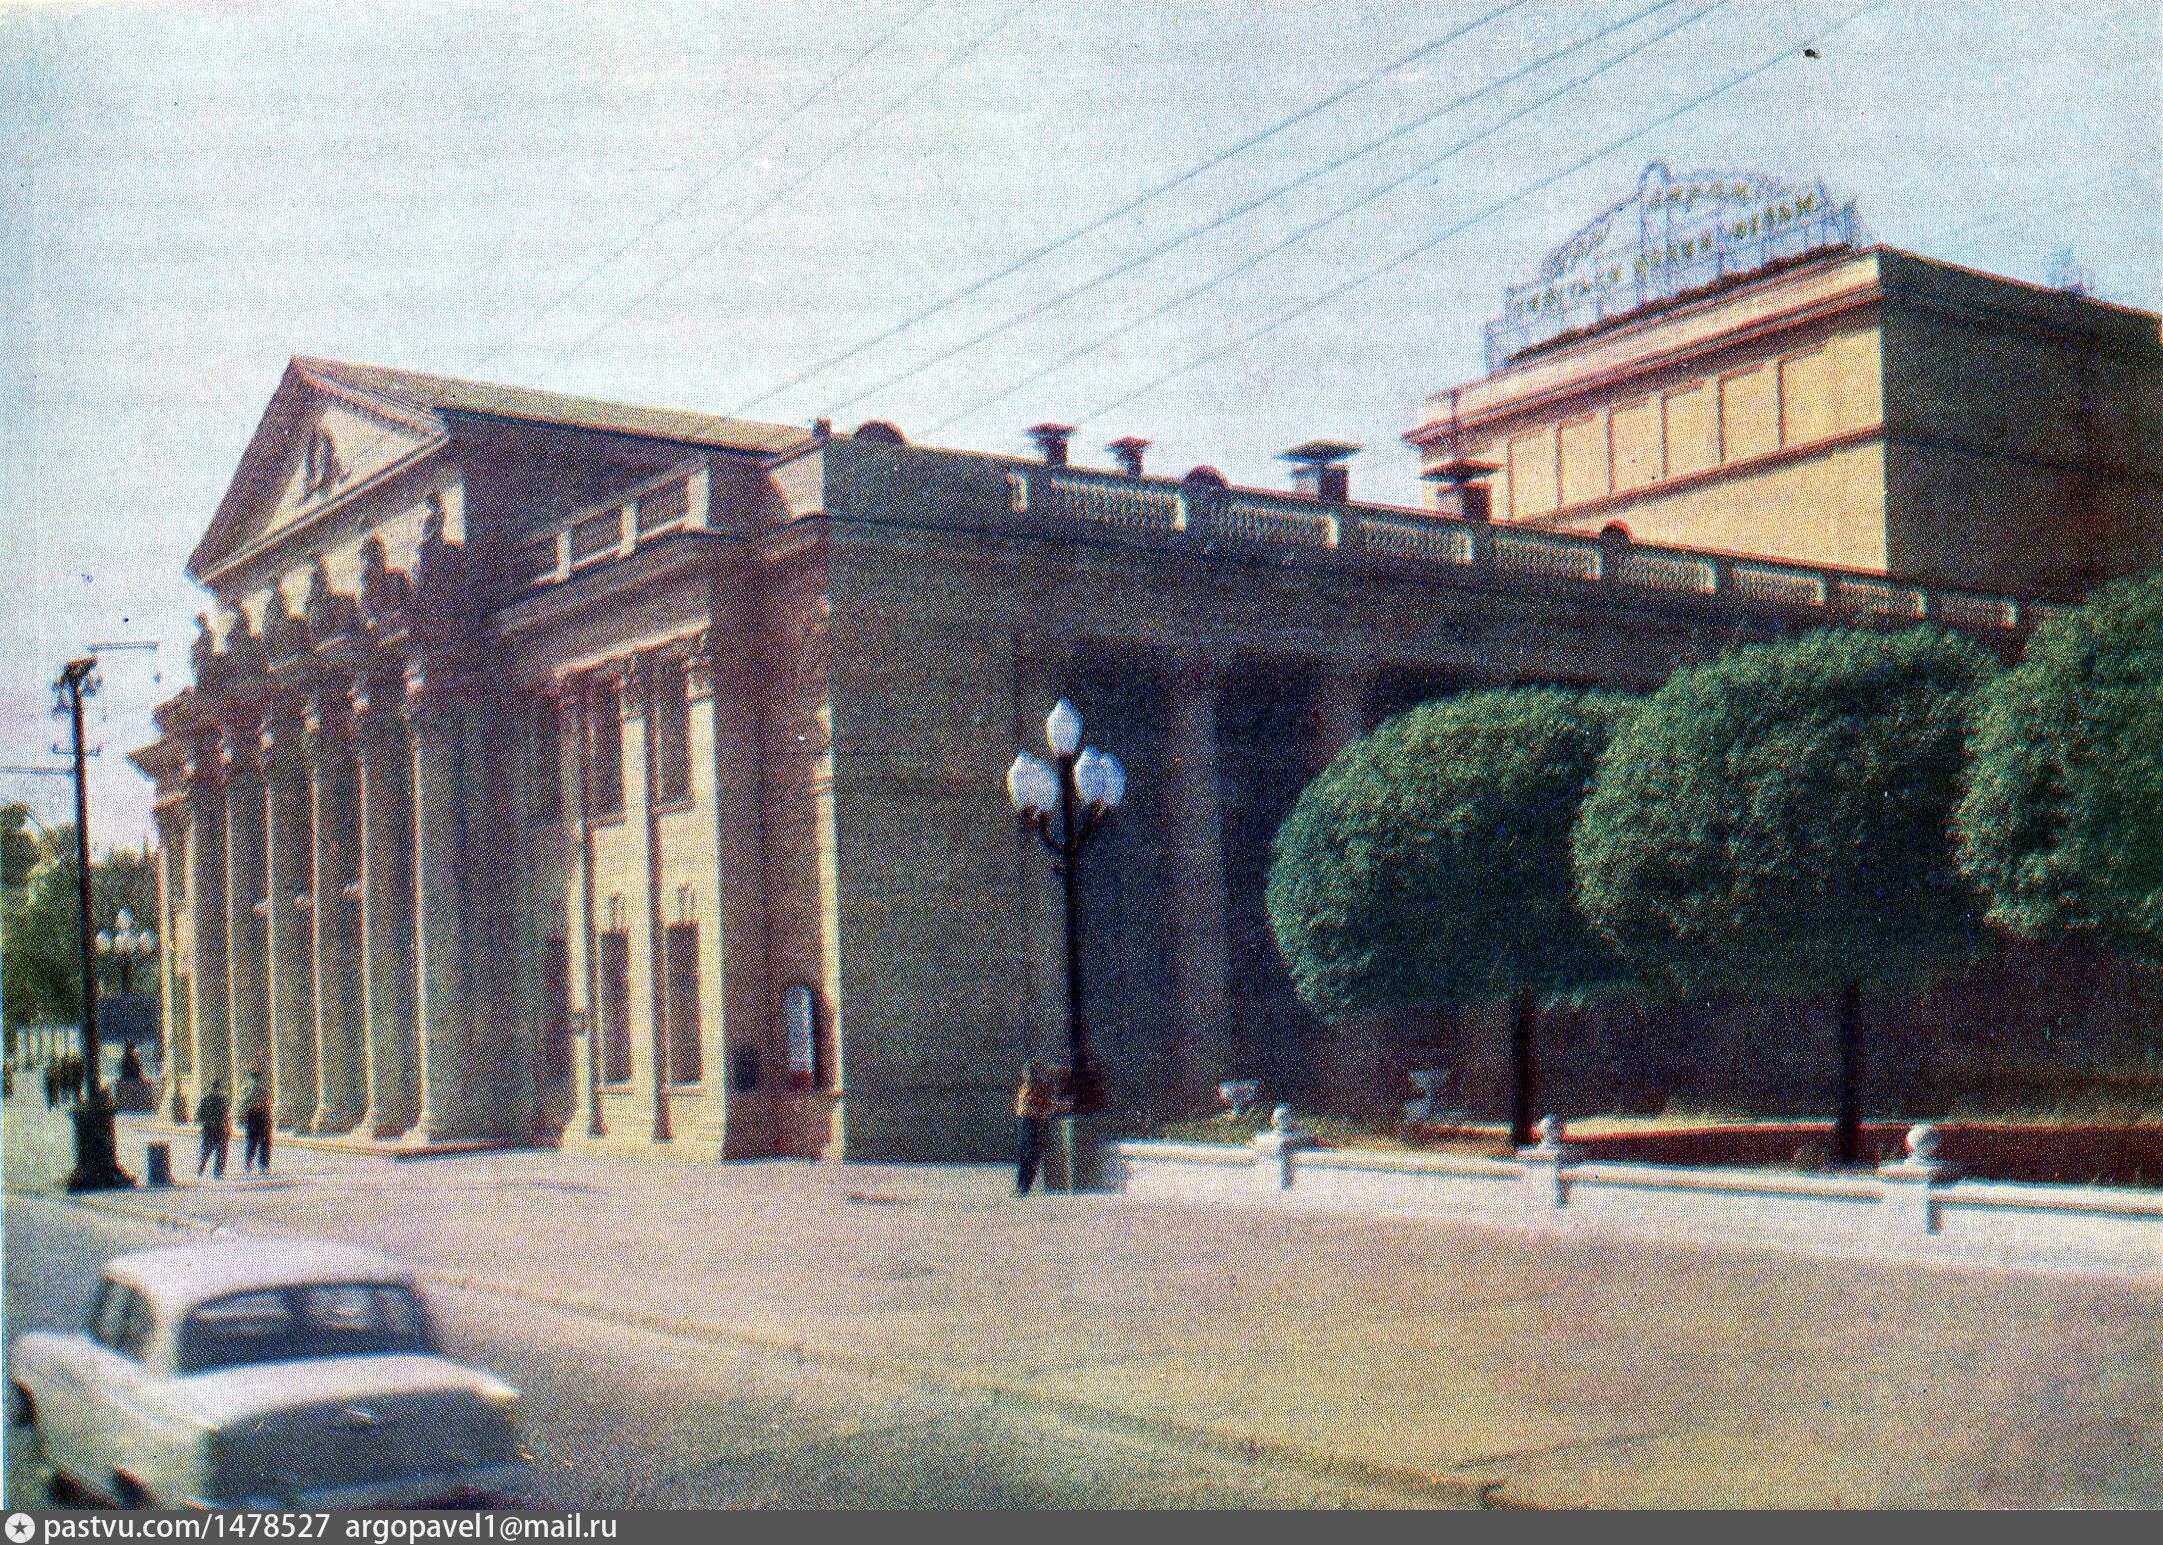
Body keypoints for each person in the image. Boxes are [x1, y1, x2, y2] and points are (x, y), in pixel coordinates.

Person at [1014, 1061, 1056, 1196]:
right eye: (1026, 1072)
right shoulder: (1023, 1089)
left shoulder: (1041, 1090)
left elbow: (1045, 1108)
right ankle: (1019, 1184)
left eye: (1031, 1072)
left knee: (1031, 1154)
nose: (1028, 1075)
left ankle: (1026, 1185)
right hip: (1025, 1122)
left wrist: (1033, 1111)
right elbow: (1019, 1108)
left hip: (1034, 1123)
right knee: (1022, 1154)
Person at [197, 1079, 230, 1179]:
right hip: (220, 1128)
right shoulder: (223, 1100)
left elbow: (199, 1115)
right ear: (219, 1089)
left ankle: (202, 1167)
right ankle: (218, 1172)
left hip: (209, 1128)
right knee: (221, 1150)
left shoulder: (206, 1099)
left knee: (207, 1149)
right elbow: (227, 1115)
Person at [242, 1074, 273, 1174]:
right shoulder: (264, 1091)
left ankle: (251, 1163)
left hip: (256, 1121)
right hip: (263, 1120)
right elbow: (269, 1103)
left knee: (253, 1144)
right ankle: (263, 1166)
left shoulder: (248, 1092)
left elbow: (244, 1107)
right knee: (263, 1144)